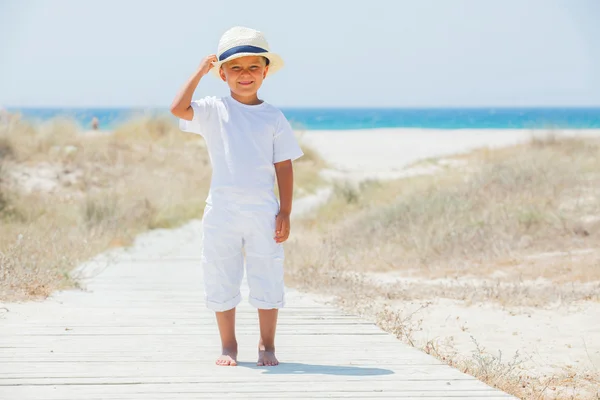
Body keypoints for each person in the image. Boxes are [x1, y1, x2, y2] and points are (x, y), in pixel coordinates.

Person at [170, 26, 303, 367]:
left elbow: (284, 166)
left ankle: (266, 344)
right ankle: (228, 346)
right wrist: (200, 72)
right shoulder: (214, 109)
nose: (245, 75)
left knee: (267, 272)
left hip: (262, 210)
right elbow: (177, 109)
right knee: (220, 272)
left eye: (253, 68)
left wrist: (285, 211)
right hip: (222, 211)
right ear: (223, 74)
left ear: (265, 72)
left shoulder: (273, 117)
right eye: (236, 68)